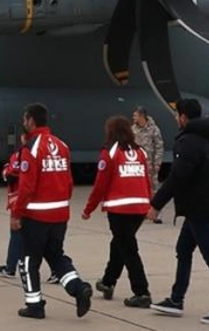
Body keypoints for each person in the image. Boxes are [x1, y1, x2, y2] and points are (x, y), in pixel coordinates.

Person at [147, 98, 209, 325]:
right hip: (202, 204)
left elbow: (177, 177)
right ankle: (176, 299)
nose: (177, 119)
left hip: (200, 207)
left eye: (178, 115)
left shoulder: (188, 143)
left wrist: (156, 204)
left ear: (184, 117)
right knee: (183, 249)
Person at [10, 103, 93, 319]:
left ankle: (34, 305)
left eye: (24, 119)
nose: (23, 123)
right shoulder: (61, 145)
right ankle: (78, 287)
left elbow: (26, 188)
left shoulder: (31, 148)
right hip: (60, 214)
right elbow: (69, 183)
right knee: (55, 256)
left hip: (36, 216)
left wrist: (17, 214)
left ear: (31, 120)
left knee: (28, 261)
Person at [83, 116, 154, 308]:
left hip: (120, 208)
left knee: (128, 249)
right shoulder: (140, 152)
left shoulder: (110, 153)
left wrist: (89, 208)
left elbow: (101, 185)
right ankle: (108, 282)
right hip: (140, 207)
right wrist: (151, 205)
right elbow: (147, 181)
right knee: (120, 245)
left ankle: (141, 291)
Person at [0, 133, 26, 278]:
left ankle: (11, 267)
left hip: (19, 201)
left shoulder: (19, 155)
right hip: (33, 202)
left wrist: (6, 169)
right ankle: (12, 265)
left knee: (17, 235)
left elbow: (10, 175)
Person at [133, 107, 166, 223]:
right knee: (140, 189)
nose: (134, 118)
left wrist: (157, 162)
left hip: (150, 165)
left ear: (142, 116)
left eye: (136, 115)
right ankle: (143, 212)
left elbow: (159, 146)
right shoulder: (133, 129)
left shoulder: (153, 129)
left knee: (154, 189)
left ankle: (157, 213)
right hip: (137, 166)